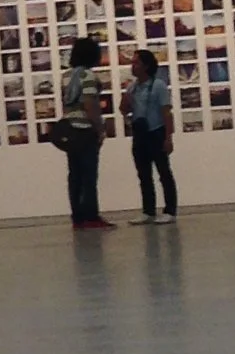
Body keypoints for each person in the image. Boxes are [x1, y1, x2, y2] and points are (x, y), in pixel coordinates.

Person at [60, 34, 114, 230]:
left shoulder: (66, 76)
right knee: (89, 175)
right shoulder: (89, 77)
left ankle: (78, 217)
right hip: (85, 131)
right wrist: (100, 129)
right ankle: (91, 216)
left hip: (71, 131)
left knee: (75, 175)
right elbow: (90, 105)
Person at [126, 47, 179, 222]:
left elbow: (166, 113)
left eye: (136, 63)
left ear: (146, 65)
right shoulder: (133, 87)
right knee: (143, 174)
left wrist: (168, 138)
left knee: (163, 172)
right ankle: (148, 210)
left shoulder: (158, 86)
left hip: (156, 131)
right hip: (139, 134)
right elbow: (123, 109)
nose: (132, 66)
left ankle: (170, 210)